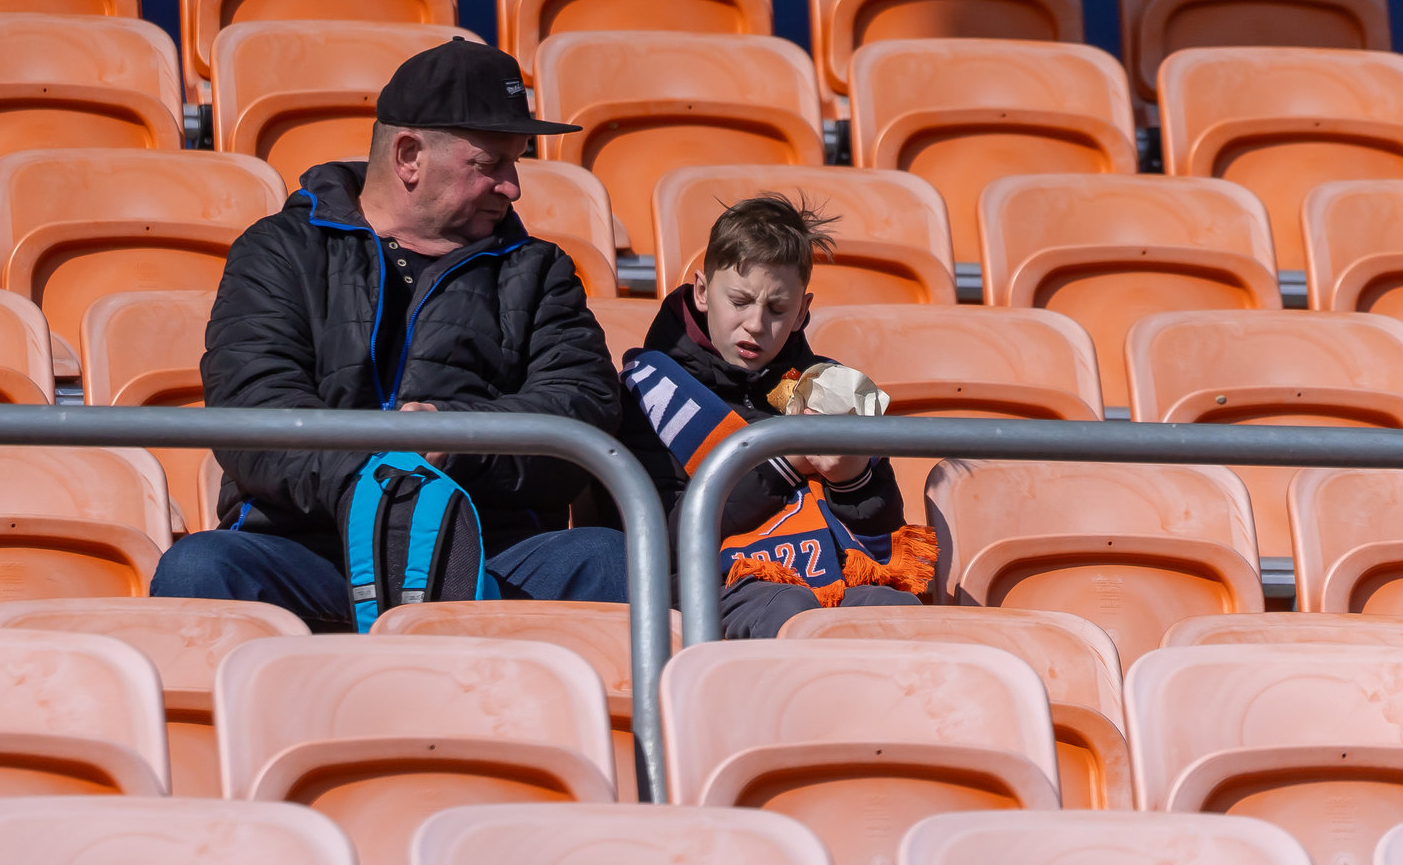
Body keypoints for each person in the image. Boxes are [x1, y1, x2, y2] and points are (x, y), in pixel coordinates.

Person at [150, 37, 625, 629]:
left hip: (486, 550)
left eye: (516, 164)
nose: (513, 186)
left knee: (609, 561)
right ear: (408, 156)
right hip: (308, 548)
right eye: (490, 165)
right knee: (200, 570)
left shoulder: (539, 269)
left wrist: (454, 435)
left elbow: (582, 406)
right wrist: (381, 477)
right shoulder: (280, 250)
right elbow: (254, 408)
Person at [615, 193, 935, 639]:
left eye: (777, 309)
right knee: (788, 609)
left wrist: (852, 480)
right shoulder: (654, 392)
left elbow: (882, 535)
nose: (755, 323)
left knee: (898, 612)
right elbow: (660, 536)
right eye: (740, 301)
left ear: (802, 311)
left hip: (828, 578)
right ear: (702, 292)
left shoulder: (830, 387)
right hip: (705, 586)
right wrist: (785, 461)